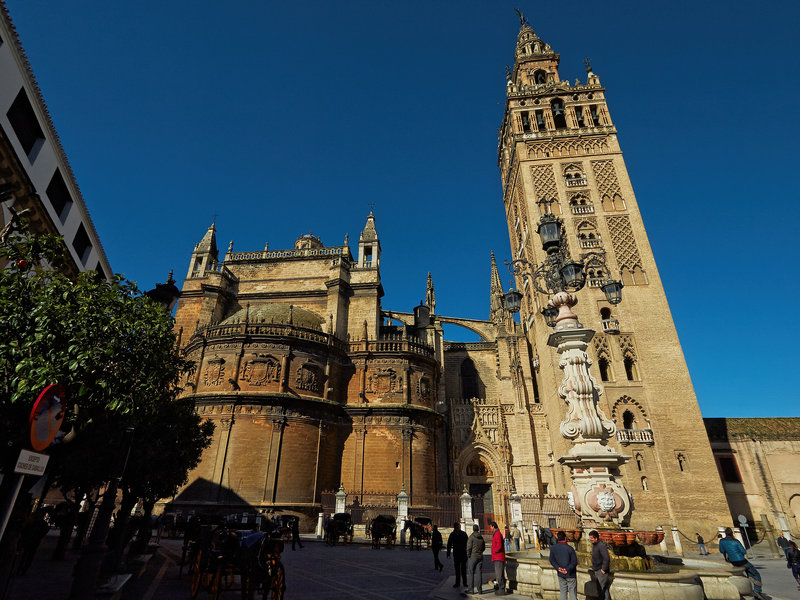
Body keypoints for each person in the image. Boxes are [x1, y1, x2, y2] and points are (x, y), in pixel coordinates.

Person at [719, 527, 765, 600]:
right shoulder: (736, 541)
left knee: (745, 571)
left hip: (733, 562)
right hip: (741, 560)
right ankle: (757, 591)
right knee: (756, 574)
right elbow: (744, 551)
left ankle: (749, 576)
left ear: (725, 533)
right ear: (732, 533)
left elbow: (722, 551)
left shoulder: (722, 541)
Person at [549, 530, 578, 600]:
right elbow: (574, 562)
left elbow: (552, 560)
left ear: (557, 538)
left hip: (560, 573)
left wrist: (558, 568)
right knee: (572, 593)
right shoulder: (570, 549)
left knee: (563, 592)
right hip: (570, 574)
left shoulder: (553, 548)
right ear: (565, 538)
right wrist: (567, 569)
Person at [588, 530, 611, 600]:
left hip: (601, 571)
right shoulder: (595, 545)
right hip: (597, 570)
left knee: (599, 590)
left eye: (591, 538)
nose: (590, 540)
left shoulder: (601, 546)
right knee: (604, 589)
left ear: (596, 538)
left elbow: (606, 558)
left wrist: (603, 569)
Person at [447, 521, 468, 588]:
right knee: (457, 569)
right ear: (455, 527)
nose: (459, 527)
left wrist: (468, 553)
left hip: (463, 554)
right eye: (458, 526)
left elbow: (468, 544)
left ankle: (465, 583)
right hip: (456, 554)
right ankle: (457, 583)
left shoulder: (463, 534)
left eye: (459, 526)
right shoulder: (452, 534)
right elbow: (449, 544)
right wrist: (448, 553)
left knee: (463, 569)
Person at [466, 523, 486, 594]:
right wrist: (480, 552)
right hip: (480, 557)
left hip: (473, 557)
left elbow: (468, 547)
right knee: (479, 573)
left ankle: (471, 589)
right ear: (478, 529)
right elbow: (484, 547)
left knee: (471, 573)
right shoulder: (481, 537)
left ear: (473, 529)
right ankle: (479, 590)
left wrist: (468, 555)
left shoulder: (471, 537)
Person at [489, 521, 507, 595]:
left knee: (499, 574)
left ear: (493, 526)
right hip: (497, 557)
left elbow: (499, 545)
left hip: (498, 557)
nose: (490, 528)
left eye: (490, 527)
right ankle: (501, 588)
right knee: (499, 574)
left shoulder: (497, 534)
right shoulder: (496, 534)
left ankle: (501, 589)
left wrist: (494, 551)